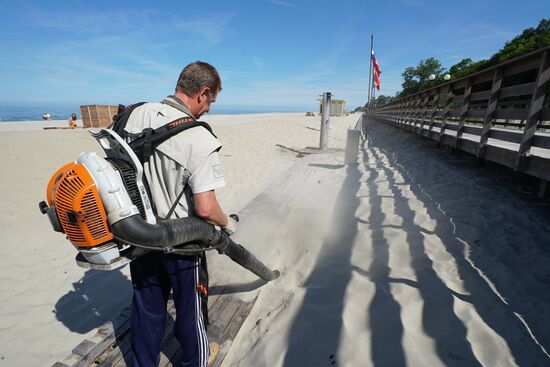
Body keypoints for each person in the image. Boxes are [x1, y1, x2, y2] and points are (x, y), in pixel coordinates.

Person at [122, 61, 236, 367]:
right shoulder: (199, 138)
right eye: (211, 101)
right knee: (190, 310)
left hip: (138, 233)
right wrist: (229, 224)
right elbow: (205, 208)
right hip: (182, 244)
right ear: (202, 93)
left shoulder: (133, 114)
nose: (209, 109)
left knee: (146, 305)